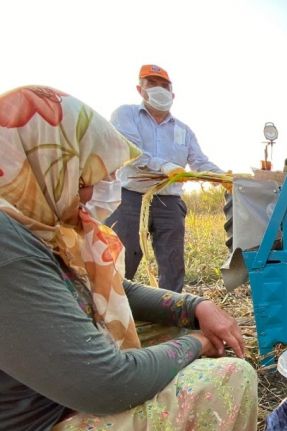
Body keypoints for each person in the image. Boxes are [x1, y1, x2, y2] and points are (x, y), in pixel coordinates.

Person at [0, 86, 257, 431]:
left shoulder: (37, 225)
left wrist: (195, 306)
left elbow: (115, 290)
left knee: (174, 321)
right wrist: (196, 344)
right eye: (83, 178)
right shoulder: (8, 247)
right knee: (231, 375)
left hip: (58, 390)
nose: (92, 193)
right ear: (47, 163)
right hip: (43, 418)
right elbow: (107, 384)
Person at [107, 64, 225, 292]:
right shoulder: (125, 115)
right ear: (140, 89)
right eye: (152, 84)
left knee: (172, 265)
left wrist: (224, 178)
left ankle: (171, 316)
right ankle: (114, 313)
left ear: (172, 94)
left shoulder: (183, 130)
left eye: (164, 85)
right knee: (122, 257)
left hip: (168, 201)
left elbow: (199, 162)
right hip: (130, 198)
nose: (159, 89)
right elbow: (131, 151)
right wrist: (165, 166)